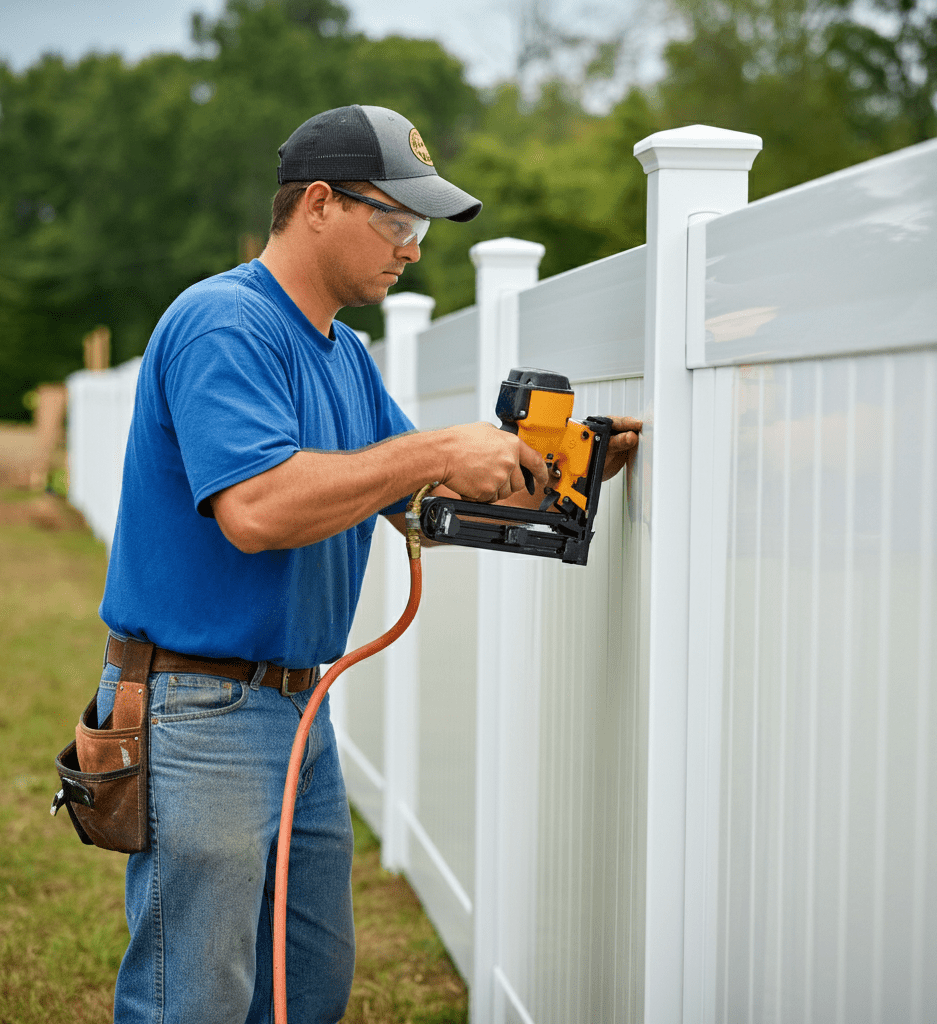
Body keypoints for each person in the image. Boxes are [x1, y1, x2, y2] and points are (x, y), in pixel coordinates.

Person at [95, 103, 641, 1024]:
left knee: (307, 983)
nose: (414, 248)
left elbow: (413, 495)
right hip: (201, 710)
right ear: (317, 203)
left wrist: (560, 475)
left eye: (418, 228)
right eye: (399, 221)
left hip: (296, 705)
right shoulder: (225, 323)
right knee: (191, 996)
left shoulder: (343, 356)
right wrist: (433, 451)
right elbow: (258, 510)